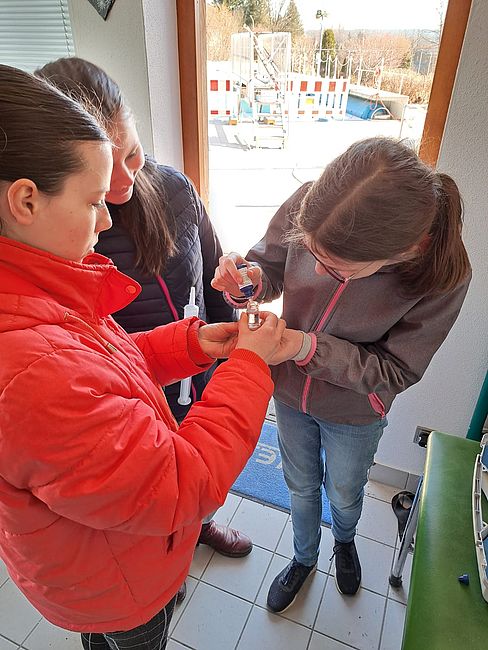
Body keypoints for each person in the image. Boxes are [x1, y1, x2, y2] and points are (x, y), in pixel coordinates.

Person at [0, 64, 287, 649]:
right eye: (92, 200)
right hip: (117, 581)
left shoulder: (37, 290)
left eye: (132, 157)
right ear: (25, 200)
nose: (107, 216)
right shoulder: (29, 371)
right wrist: (251, 368)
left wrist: (187, 344)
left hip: (115, 539)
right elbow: (181, 482)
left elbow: (95, 367)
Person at [212, 137, 471, 612]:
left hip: (356, 411)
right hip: (289, 393)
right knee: (299, 485)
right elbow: (269, 265)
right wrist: (246, 279)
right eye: (312, 253)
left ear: (401, 252)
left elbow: (396, 369)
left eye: (333, 267)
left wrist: (305, 347)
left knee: (345, 493)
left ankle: (345, 541)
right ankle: (303, 556)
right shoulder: (315, 205)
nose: (315, 270)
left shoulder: (443, 276)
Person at [35, 57, 252, 562]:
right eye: (101, 174)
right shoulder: (64, 238)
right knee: (154, 494)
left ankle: (199, 527)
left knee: (196, 466)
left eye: (131, 154)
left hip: (194, 365)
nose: (121, 182)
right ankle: (167, 556)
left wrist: (236, 302)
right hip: (131, 392)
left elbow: (213, 273)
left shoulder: (175, 189)